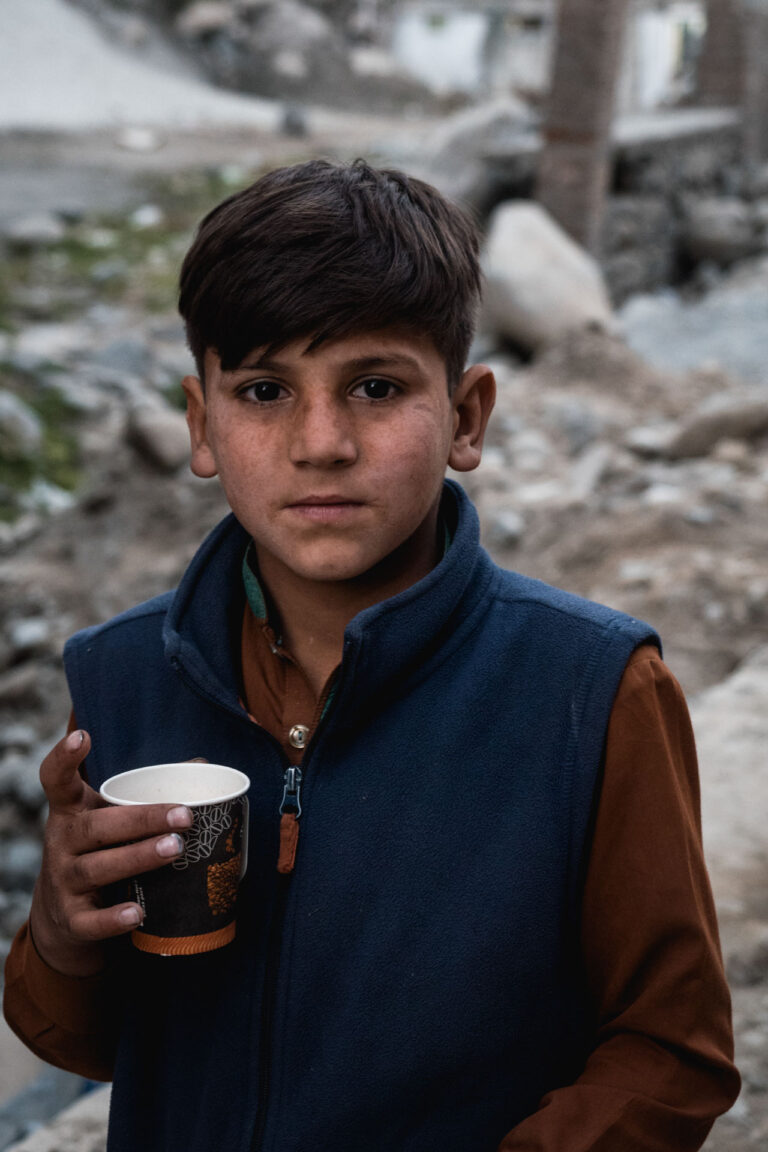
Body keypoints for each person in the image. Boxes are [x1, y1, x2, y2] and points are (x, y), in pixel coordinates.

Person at [4, 159, 738, 1152]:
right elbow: (91, 1041)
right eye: (264, 389)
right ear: (200, 423)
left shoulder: (589, 693)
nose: (320, 442)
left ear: (467, 417)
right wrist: (59, 931)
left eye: (376, 387)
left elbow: (672, 1049)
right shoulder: (127, 675)